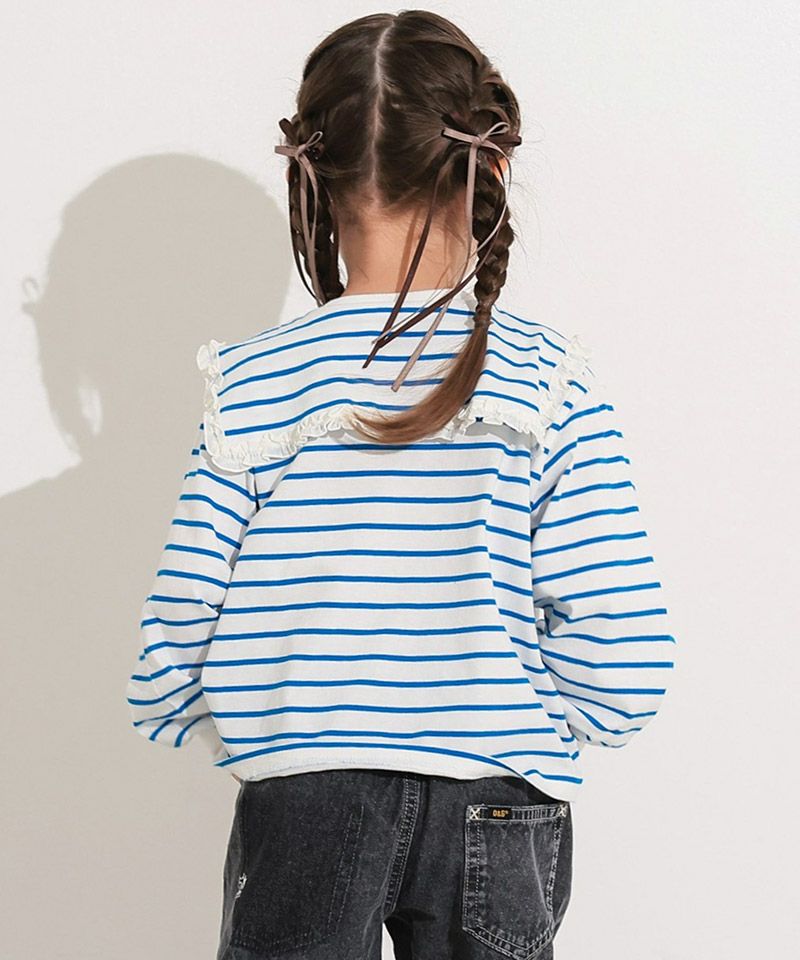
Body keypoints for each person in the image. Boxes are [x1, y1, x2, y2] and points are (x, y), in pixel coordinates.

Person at [125, 11, 677, 959]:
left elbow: (179, 625)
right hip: (500, 800)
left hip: (306, 796)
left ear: (310, 175)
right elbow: (623, 648)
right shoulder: (548, 379)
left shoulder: (255, 380)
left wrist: (249, 730)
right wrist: (529, 729)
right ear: (489, 167)